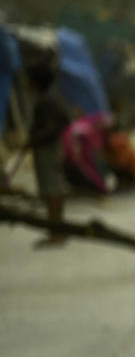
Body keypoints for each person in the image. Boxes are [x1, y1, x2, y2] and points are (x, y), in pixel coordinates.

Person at [22, 63, 71, 248]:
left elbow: (50, 127)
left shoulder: (44, 101)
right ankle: (58, 229)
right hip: (53, 148)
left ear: (34, 82)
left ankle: (55, 232)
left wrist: (31, 141)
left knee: (52, 191)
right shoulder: (52, 98)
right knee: (55, 189)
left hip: (47, 150)